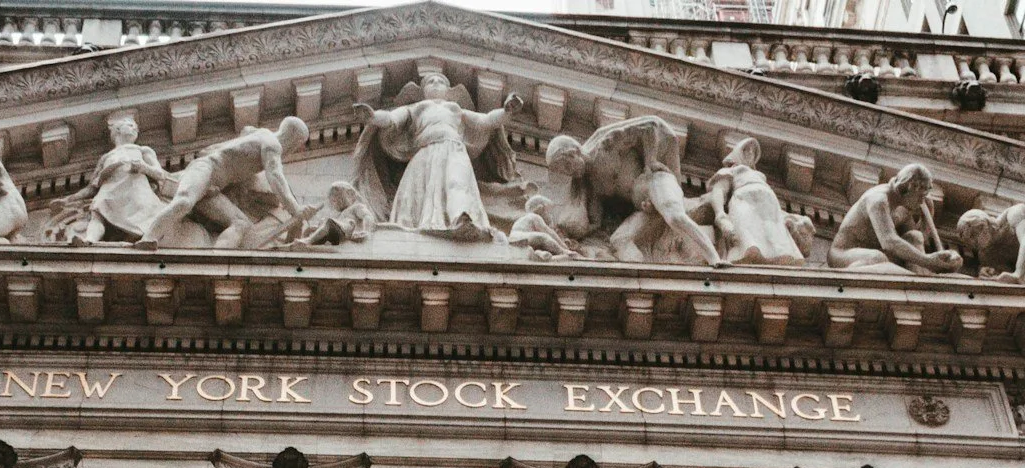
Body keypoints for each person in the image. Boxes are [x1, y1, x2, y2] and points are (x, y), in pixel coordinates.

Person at [350, 67, 519, 241]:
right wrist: (372, 116)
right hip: (425, 153)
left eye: (441, 82)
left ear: (448, 91)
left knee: (457, 183)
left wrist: (507, 112)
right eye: (431, 81)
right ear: (423, 91)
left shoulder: (455, 109)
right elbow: (391, 119)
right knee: (417, 193)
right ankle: (415, 225)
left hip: (454, 151)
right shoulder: (416, 108)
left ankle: (461, 217)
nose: (436, 83)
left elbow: (485, 120)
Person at [542, 114, 720, 266]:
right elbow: (596, 218)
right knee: (619, 241)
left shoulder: (605, 143)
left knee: (674, 217)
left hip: (653, 181)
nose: (568, 171)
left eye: (566, 165)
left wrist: (650, 162)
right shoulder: (589, 184)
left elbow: (649, 126)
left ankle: (715, 259)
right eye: (563, 170)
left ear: (574, 151)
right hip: (644, 207)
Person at [141, 117, 308, 249]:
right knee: (184, 202)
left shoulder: (260, 136)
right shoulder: (272, 144)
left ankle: (217, 260)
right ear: (293, 138)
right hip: (205, 170)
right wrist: (295, 208)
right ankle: (148, 238)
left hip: (213, 189)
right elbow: (275, 176)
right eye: (298, 144)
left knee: (241, 223)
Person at [826, 163, 961, 274]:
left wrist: (928, 220)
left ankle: (922, 283)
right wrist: (929, 261)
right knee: (877, 258)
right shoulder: (878, 200)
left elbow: (912, 246)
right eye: (920, 196)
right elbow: (889, 242)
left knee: (914, 236)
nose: (922, 202)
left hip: (882, 254)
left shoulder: (903, 206)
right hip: (844, 254)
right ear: (909, 187)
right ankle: (914, 280)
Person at [704, 135, 806, 266]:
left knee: (775, 241)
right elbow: (719, 190)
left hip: (769, 210)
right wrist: (720, 214)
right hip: (744, 202)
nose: (750, 153)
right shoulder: (732, 170)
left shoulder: (760, 176)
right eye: (746, 149)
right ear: (738, 153)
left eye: (753, 151)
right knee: (747, 236)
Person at [76, 112, 175, 243]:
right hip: (109, 190)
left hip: (135, 189)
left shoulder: (143, 150)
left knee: (145, 215)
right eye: (130, 125)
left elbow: (160, 174)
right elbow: (91, 188)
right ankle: (89, 240)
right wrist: (68, 199)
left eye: (135, 127)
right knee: (97, 214)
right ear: (117, 129)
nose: (134, 129)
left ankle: (147, 238)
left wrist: (143, 167)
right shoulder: (106, 157)